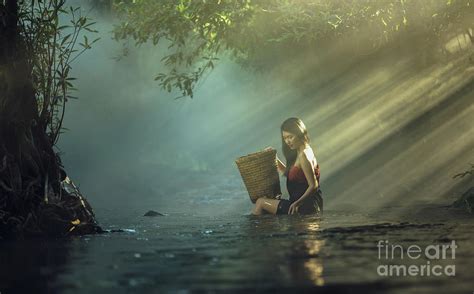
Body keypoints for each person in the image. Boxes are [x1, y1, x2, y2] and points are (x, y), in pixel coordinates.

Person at [251, 117, 323, 215]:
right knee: (263, 202)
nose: (287, 141)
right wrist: (275, 158)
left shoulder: (304, 155)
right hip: (302, 203)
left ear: (299, 134)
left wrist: (297, 203)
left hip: (305, 206)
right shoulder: (303, 150)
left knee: (260, 202)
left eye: (290, 137)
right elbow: (291, 174)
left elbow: (313, 185)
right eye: (285, 138)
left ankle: (255, 229)